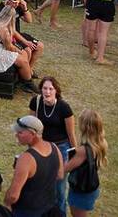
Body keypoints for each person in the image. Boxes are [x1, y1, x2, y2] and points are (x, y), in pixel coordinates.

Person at [28, 76, 76, 214]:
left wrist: (74, 153)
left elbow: (71, 134)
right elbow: (32, 126)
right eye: (44, 88)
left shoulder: (64, 108)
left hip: (61, 148)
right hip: (42, 148)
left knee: (59, 188)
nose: (47, 91)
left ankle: (60, 213)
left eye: (50, 89)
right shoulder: (35, 102)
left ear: (56, 91)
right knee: (40, 183)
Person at [4, 115, 62, 217]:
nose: (16, 135)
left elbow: (13, 196)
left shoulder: (26, 159)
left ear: (32, 133)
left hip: (28, 212)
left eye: (20, 132)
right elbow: (60, 175)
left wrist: (7, 203)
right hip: (50, 209)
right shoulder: (54, 147)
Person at [0, 5, 35, 91]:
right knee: (23, 60)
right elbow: (9, 47)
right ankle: (28, 82)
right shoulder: (3, 30)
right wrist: (20, 51)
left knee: (24, 53)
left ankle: (24, 76)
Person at [63, 109, 108, 217]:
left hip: (81, 191)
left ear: (85, 127)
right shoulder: (100, 143)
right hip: (90, 188)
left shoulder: (83, 150)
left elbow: (64, 169)